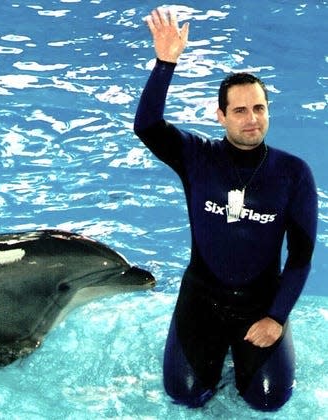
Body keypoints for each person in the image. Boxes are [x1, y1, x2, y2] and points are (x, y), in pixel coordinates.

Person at [134, 7, 318, 411]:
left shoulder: (294, 174)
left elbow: (301, 259)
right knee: (186, 395)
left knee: (268, 401)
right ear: (221, 116)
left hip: (261, 303)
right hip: (203, 297)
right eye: (239, 110)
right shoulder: (197, 157)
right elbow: (146, 126)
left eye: (259, 109)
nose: (251, 119)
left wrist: (276, 318)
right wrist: (165, 63)